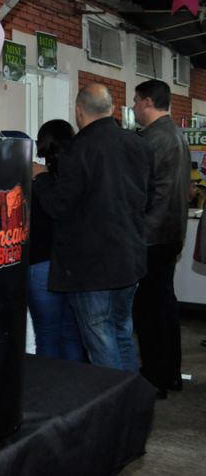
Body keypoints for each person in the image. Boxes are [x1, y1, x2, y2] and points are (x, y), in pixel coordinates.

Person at [32, 83, 153, 372]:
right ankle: (130, 396)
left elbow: (60, 206)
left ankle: (114, 400)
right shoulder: (139, 144)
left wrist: (42, 178)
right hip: (130, 259)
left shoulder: (78, 149)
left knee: (101, 343)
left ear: (79, 111)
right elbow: (148, 198)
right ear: (112, 108)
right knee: (122, 335)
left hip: (92, 267)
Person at [131, 79, 190, 399]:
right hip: (171, 231)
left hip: (150, 234)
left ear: (148, 102)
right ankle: (171, 373)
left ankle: (154, 378)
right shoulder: (177, 135)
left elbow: (138, 190)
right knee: (165, 305)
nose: (134, 107)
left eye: (136, 101)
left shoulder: (150, 140)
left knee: (148, 310)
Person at [28, 119, 83, 361]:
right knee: (71, 333)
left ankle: (51, 385)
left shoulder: (37, 180)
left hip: (40, 263)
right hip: (72, 263)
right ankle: (76, 383)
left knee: (47, 335)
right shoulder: (76, 177)